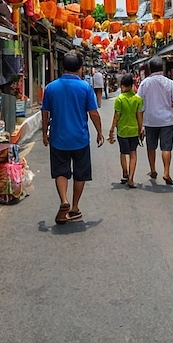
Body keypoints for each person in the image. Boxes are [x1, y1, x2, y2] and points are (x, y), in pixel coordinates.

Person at [41, 51, 104, 224]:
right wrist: (99, 132)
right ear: (80, 68)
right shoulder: (85, 87)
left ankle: (64, 200)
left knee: (60, 171)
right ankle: (74, 207)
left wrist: (44, 133)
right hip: (80, 138)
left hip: (58, 138)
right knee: (80, 173)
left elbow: (45, 112)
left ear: (63, 67)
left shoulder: (51, 87)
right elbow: (93, 113)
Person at [136, 56, 173, 185]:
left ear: (149, 69)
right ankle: (166, 172)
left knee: (151, 147)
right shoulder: (170, 83)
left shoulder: (144, 83)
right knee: (166, 148)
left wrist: (140, 125)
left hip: (150, 121)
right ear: (162, 68)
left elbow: (139, 104)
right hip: (167, 121)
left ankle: (153, 170)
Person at [108, 75, 144, 188]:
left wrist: (111, 130)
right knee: (133, 154)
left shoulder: (119, 99)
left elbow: (116, 116)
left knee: (123, 153)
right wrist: (141, 129)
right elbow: (139, 116)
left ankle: (125, 173)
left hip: (122, 131)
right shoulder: (138, 99)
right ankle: (131, 179)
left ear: (122, 86)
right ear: (132, 85)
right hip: (134, 131)